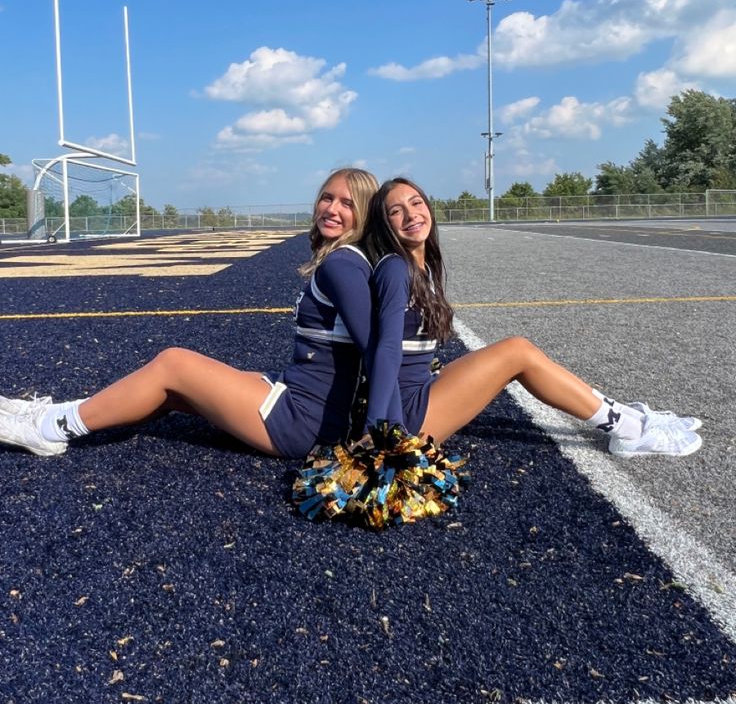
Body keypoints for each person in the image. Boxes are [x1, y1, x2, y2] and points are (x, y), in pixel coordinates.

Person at [0, 168, 379, 460]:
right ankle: (60, 414)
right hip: (302, 400)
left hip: (303, 422)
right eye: (327, 198)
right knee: (172, 392)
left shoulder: (342, 265)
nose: (331, 208)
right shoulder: (347, 260)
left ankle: (50, 429)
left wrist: (382, 434)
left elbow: (377, 350)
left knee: (174, 364)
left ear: (364, 214)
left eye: (347, 204)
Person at [361, 177, 702, 458]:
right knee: (516, 352)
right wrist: (378, 428)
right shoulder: (394, 268)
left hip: (418, 391)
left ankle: (632, 418)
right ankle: (630, 432)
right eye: (396, 211)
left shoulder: (421, 267)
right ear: (385, 224)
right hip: (404, 416)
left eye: (416, 202)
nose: (411, 214)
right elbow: (386, 348)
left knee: (519, 351)